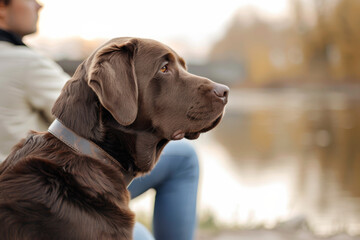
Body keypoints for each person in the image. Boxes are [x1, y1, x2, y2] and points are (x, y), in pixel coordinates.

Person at [0, 0, 200, 239]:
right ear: (2, 7)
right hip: (50, 190)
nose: (38, 5)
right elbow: (87, 110)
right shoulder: (25, 62)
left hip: (22, 191)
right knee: (184, 159)